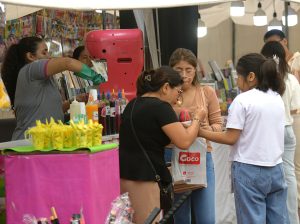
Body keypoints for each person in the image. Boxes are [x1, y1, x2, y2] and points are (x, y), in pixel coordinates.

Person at [198, 53, 288, 224]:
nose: (237, 81)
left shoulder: (242, 100)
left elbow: (230, 137)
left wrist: (202, 132)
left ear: (251, 77)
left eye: (239, 76)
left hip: (249, 169)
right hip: (276, 168)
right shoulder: (276, 97)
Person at [119, 66, 206, 224]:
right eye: (178, 92)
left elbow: (151, 137)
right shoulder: (161, 107)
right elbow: (184, 141)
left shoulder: (132, 105)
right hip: (146, 180)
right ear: (166, 87)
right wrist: (198, 119)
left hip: (126, 177)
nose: (176, 99)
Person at [1, 36, 106, 140]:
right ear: (30, 56)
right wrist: (96, 76)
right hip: (29, 143)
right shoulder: (30, 69)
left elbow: (53, 110)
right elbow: (68, 63)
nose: (49, 56)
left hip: (45, 142)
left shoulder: (45, 79)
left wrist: (74, 101)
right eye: (44, 53)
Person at [169, 48, 223, 224]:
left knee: (206, 218)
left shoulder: (206, 92)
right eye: (178, 70)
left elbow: (218, 126)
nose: (184, 75)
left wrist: (206, 129)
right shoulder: (166, 94)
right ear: (171, 70)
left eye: (189, 70)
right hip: (173, 156)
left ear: (195, 71)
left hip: (202, 156)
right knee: (180, 217)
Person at [261, 41, 300, 224]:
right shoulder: (291, 79)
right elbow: (295, 108)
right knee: (289, 175)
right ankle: (293, 219)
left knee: (269, 175)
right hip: (287, 130)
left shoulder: (264, 80)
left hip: (269, 131)